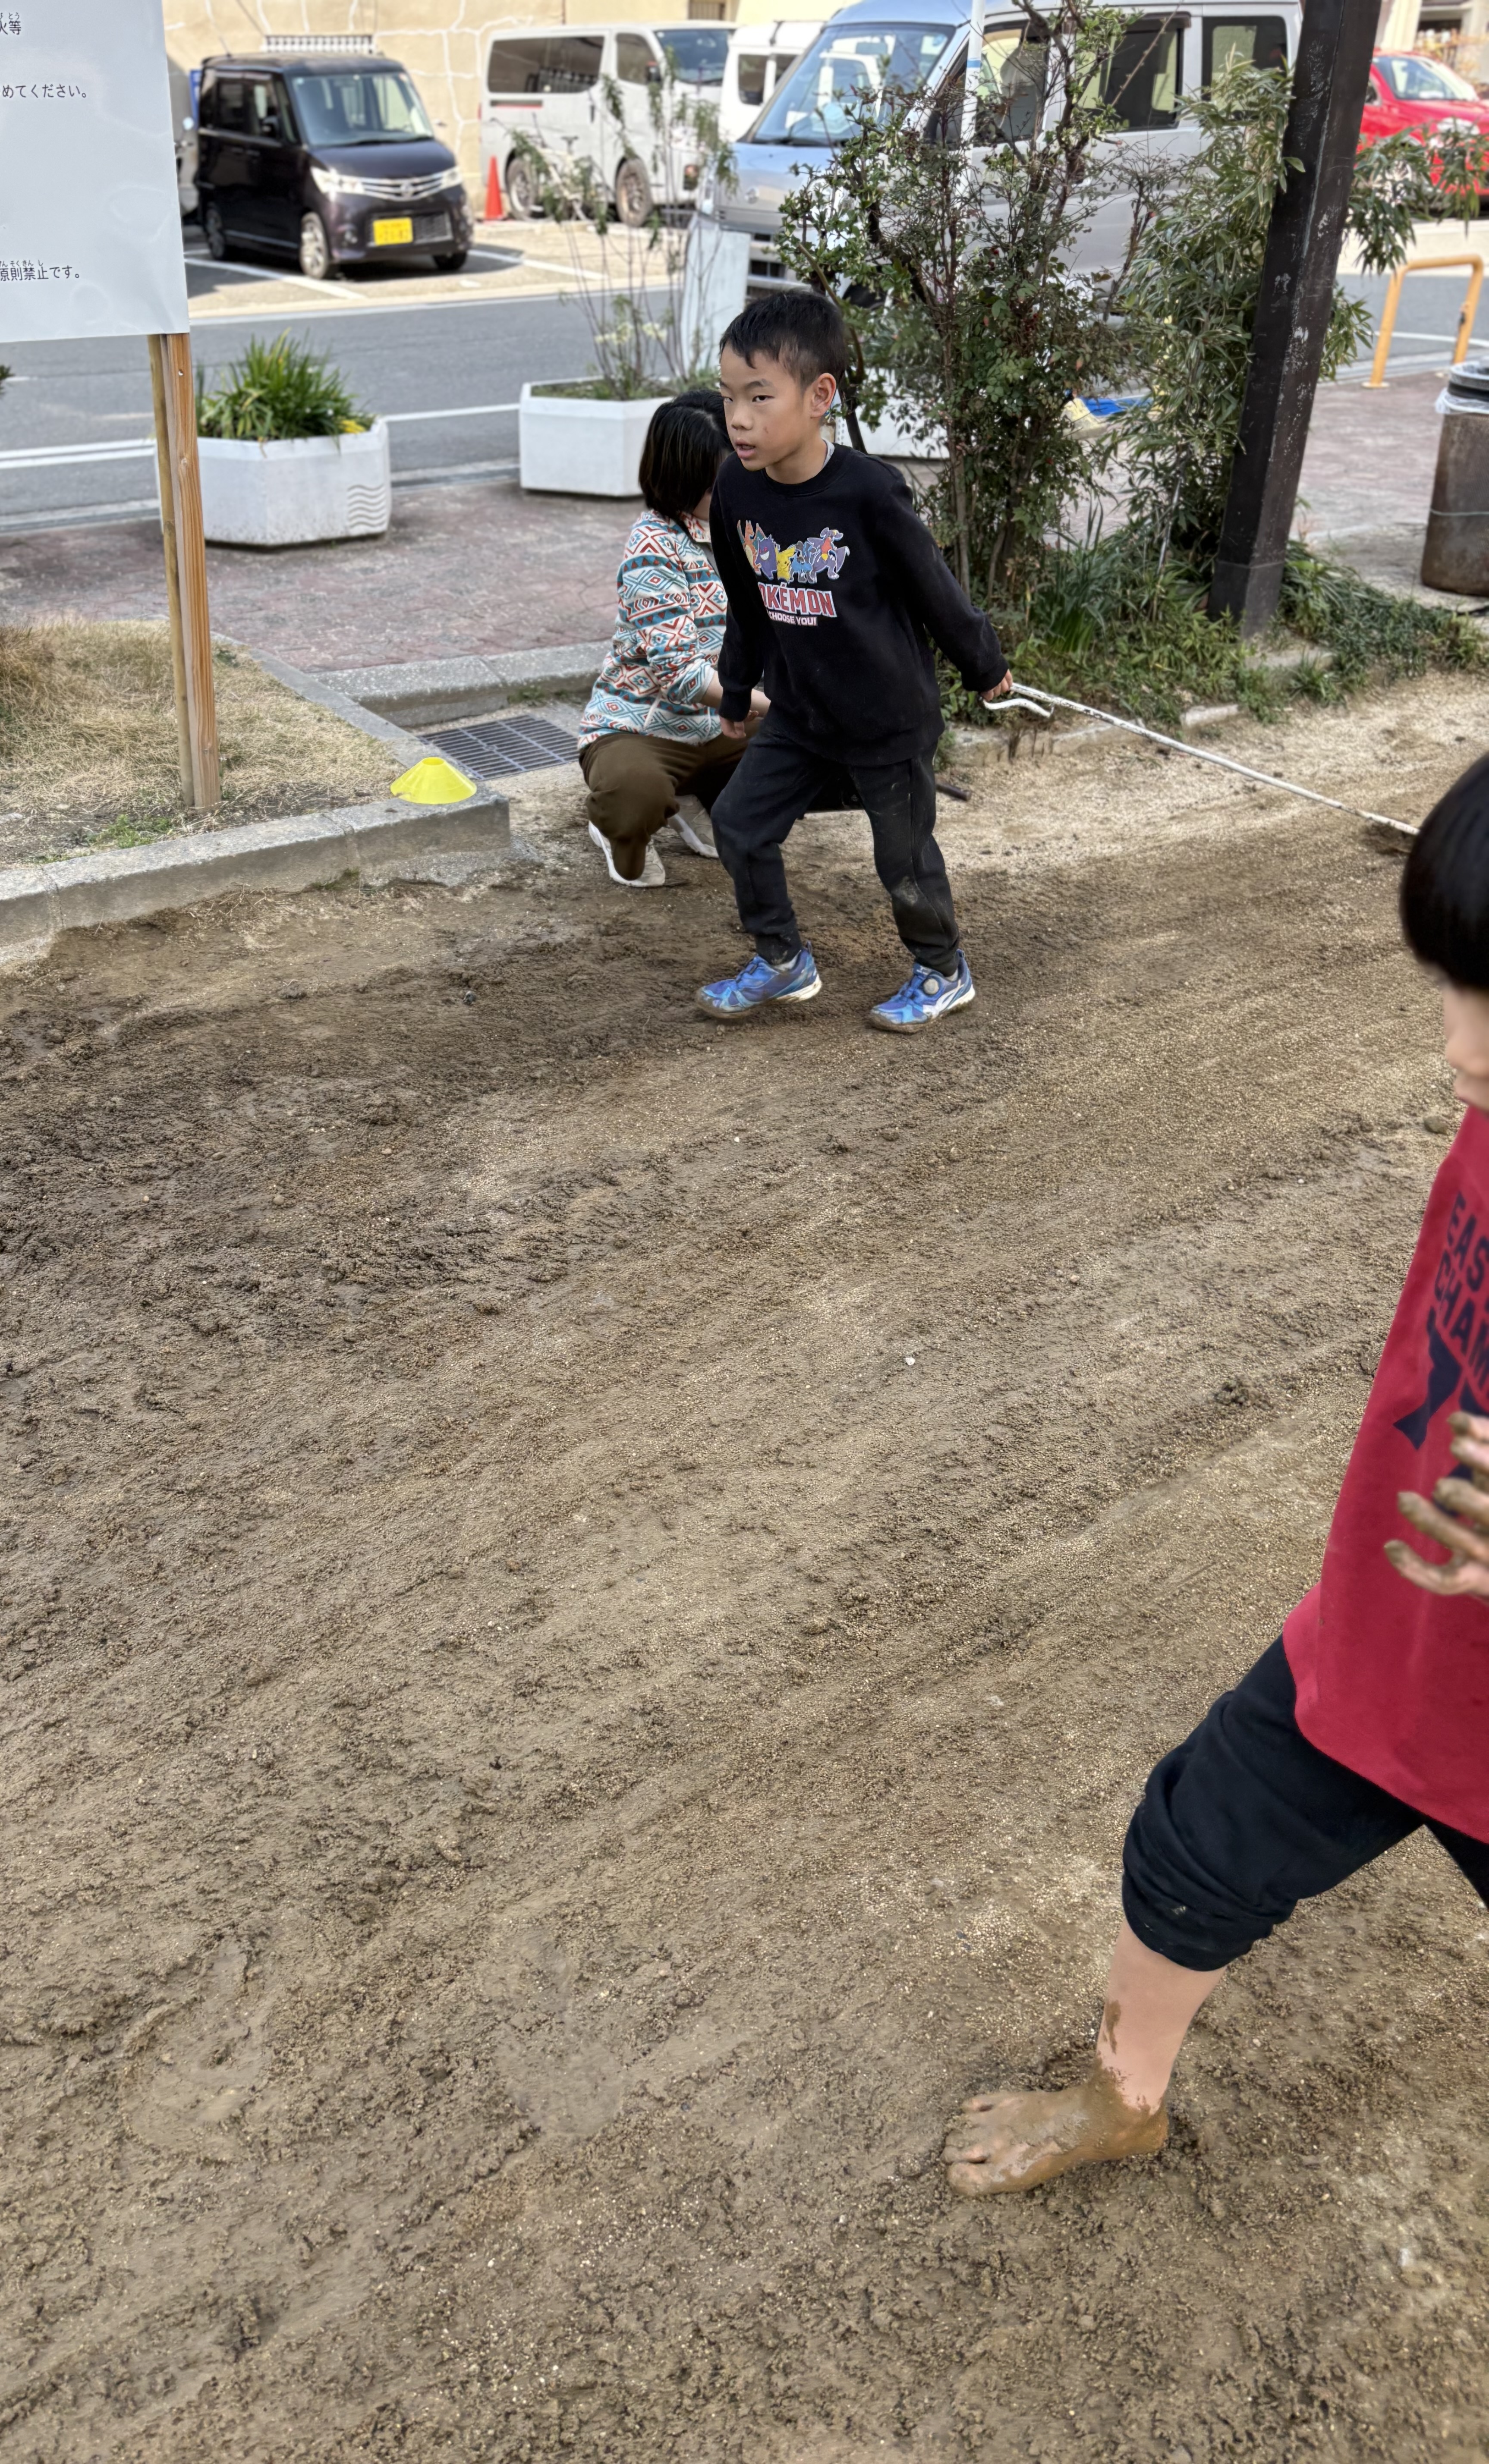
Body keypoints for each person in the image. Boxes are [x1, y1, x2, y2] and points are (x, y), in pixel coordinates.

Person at [943, 752, 1489, 2198]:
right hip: (1385, 1642)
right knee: (1192, 1843)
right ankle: (1124, 2094)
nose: (1459, 1051)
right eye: (1453, 986)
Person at [696, 292, 1014, 1029]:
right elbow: (746, 600)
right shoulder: (735, 492)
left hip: (885, 717)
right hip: (801, 711)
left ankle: (941, 969)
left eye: (757, 397)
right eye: (727, 398)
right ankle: (781, 960)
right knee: (739, 825)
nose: (737, 418)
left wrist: (982, 662)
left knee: (900, 858)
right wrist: (736, 688)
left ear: (818, 397)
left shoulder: (867, 492)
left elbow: (933, 587)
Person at [577, 388, 769, 890]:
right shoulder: (653, 543)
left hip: (723, 723)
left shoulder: (748, 526)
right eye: (720, 476)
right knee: (634, 794)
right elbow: (678, 672)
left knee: (806, 756)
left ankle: (699, 801)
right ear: (682, 479)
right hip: (643, 725)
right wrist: (768, 705)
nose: (736, 482)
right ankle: (616, 825)